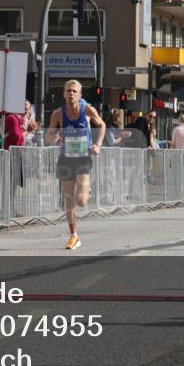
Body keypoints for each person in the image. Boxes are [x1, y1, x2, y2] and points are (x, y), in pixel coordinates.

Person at [45, 79, 105, 250]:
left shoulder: (87, 110)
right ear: (64, 94)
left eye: (74, 91)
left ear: (80, 95)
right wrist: (53, 137)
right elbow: (48, 135)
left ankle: (87, 190)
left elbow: (102, 125)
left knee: (81, 201)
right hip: (66, 158)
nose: (71, 94)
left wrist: (98, 145)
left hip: (83, 158)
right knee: (69, 199)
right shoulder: (58, 114)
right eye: (68, 91)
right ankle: (74, 235)